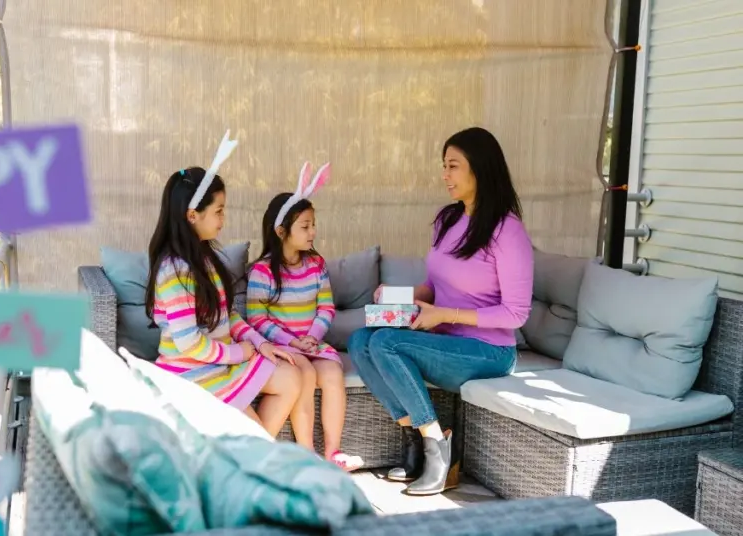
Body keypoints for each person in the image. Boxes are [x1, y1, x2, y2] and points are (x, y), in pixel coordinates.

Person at [348, 127, 533, 496]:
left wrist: (444, 315)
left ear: (479, 169)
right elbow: (434, 287)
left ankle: (437, 445)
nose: (444, 175)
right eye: (443, 166)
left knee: (386, 343)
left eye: (453, 166)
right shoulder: (446, 219)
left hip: (488, 351)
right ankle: (415, 439)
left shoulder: (508, 231)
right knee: (360, 340)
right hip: (443, 340)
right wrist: (401, 296)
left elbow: (516, 314)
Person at [145, 132, 304, 437]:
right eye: (218, 211)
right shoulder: (174, 271)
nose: (223, 219)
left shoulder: (205, 260)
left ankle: (245, 460)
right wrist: (238, 354)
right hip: (191, 373)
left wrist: (260, 344)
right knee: (259, 443)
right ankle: (249, 459)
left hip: (220, 364)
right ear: (193, 215)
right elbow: (188, 343)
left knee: (291, 378)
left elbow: (227, 315)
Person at [246, 163, 363, 471]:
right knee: (307, 377)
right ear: (281, 231)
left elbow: (326, 307)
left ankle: (333, 453)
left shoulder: (316, 265)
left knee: (333, 375)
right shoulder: (262, 271)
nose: (313, 231)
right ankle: (307, 452)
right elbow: (257, 319)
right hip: (285, 349)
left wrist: (312, 336)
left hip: (312, 344)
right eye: (306, 225)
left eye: (314, 224)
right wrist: (292, 341)